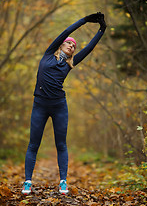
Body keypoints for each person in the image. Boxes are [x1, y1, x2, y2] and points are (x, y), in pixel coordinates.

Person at [22, 12, 106, 195]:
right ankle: (27, 181)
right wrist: (84, 20)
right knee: (33, 144)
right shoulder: (48, 54)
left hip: (59, 106)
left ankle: (63, 182)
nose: (72, 46)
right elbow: (67, 30)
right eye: (69, 43)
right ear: (61, 44)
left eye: (74, 46)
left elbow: (89, 48)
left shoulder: (70, 63)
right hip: (40, 105)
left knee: (61, 144)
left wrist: (102, 30)